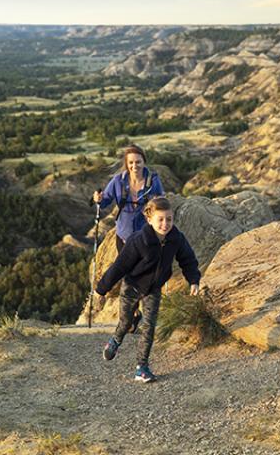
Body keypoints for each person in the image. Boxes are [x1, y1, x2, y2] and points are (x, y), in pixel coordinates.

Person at [95, 196, 200, 383]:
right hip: (132, 286)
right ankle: (116, 339)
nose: (165, 224)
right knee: (126, 321)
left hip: (153, 289)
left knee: (149, 327)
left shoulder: (176, 238)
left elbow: (188, 259)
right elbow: (119, 266)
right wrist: (101, 290)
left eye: (169, 219)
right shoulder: (138, 241)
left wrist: (194, 280)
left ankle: (141, 367)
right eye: (160, 219)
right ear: (149, 218)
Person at [93, 145, 165, 331]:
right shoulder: (118, 181)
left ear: (144, 162)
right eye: (131, 162)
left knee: (142, 275)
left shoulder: (153, 180)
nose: (135, 166)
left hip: (145, 237)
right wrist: (98, 199)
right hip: (124, 237)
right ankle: (132, 316)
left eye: (138, 162)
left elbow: (161, 202)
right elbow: (106, 200)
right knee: (128, 276)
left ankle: (139, 314)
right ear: (126, 164)